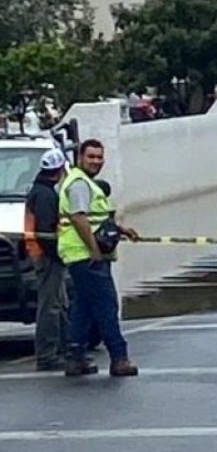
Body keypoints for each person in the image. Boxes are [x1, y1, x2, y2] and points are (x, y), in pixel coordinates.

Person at [58, 139, 140, 377]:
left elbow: (96, 218)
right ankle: (119, 358)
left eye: (99, 157)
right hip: (87, 256)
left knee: (83, 307)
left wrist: (122, 229)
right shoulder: (79, 184)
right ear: (80, 158)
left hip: (81, 255)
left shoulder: (86, 183)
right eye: (91, 157)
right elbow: (79, 218)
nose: (96, 161)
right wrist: (94, 249)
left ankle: (76, 358)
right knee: (106, 306)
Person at [23, 148, 69, 371]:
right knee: (50, 306)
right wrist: (60, 255)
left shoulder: (40, 191)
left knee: (59, 303)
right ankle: (47, 355)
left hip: (42, 255)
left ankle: (65, 346)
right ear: (59, 170)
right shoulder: (45, 195)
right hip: (46, 257)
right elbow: (47, 231)